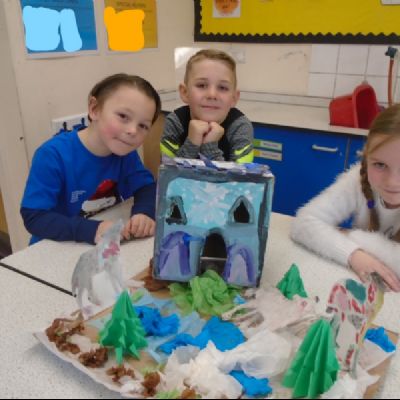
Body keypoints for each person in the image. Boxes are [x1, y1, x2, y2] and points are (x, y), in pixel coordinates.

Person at [21, 73, 161, 245]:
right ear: (94, 109)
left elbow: (145, 186)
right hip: (56, 246)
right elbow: (34, 217)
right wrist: (91, 229)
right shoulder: (52, 155)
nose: (133, 130)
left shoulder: (124, 151)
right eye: (123, 116)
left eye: (143, 126)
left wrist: (144, 213)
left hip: (104, 244)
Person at [291, 104, 400, 292]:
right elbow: (303, 222)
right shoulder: (358, 179)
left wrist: (352, 236)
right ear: (366, 157)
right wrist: (353, 254)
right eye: (380, 165)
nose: (392, 182)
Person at [160, 49, 254, 163]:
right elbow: (167, 171)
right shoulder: (175, 123)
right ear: (185, 92)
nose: (212, 95)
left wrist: (210, 146)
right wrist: (192, 143)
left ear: (234, 98)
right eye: (201, 85)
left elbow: (240, 174)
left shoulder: (240, 127)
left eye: (222, 88)